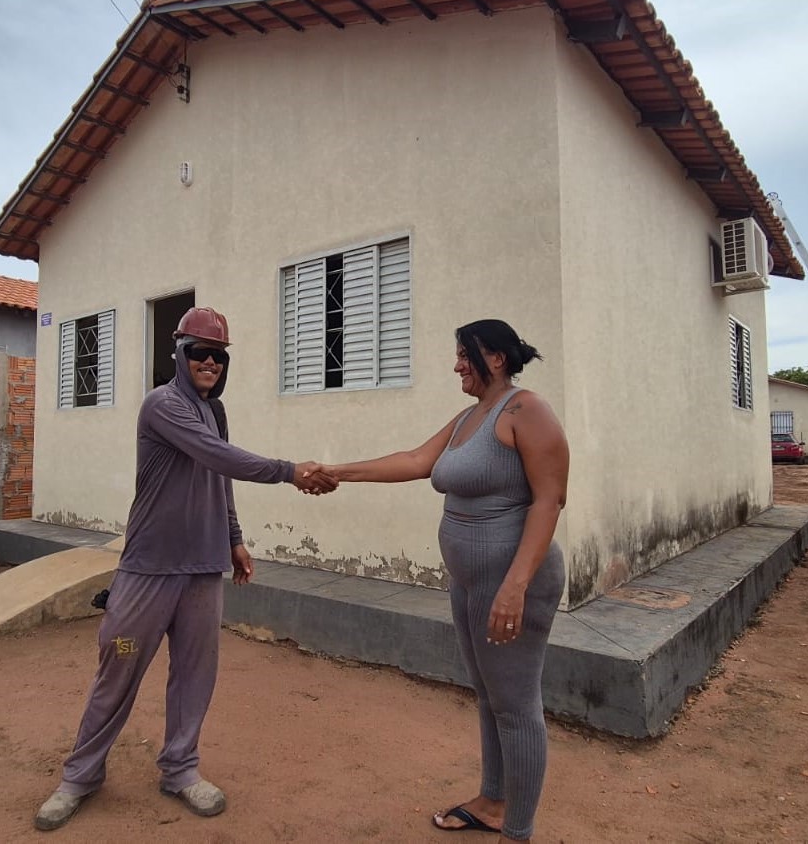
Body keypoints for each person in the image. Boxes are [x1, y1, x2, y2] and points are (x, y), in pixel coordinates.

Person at [34, 306, 337, 831]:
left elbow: (219, 475)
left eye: (218, 356)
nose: (210, 363)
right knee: (119, 665)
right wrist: (290, 472)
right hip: (148, 570)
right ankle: (79, 776)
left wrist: (235, 539)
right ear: (179, 354)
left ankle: (180, 768)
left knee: (195, 674)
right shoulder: (163, 405)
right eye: (199, 352)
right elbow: (219, 457)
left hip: (202, 568)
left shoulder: (214, 413)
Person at [323, 319, 568, 843]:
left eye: (464, 354)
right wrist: (338, 471)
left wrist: (515, 585)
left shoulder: (528, 411)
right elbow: (415, 460)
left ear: (495, 358)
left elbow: (549, 501)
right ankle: (493, 800)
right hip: (470, 582)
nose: (456, 364)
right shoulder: (468, 418)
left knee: (517, 706)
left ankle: (517, 830)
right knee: (488, 694)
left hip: (513, 583)